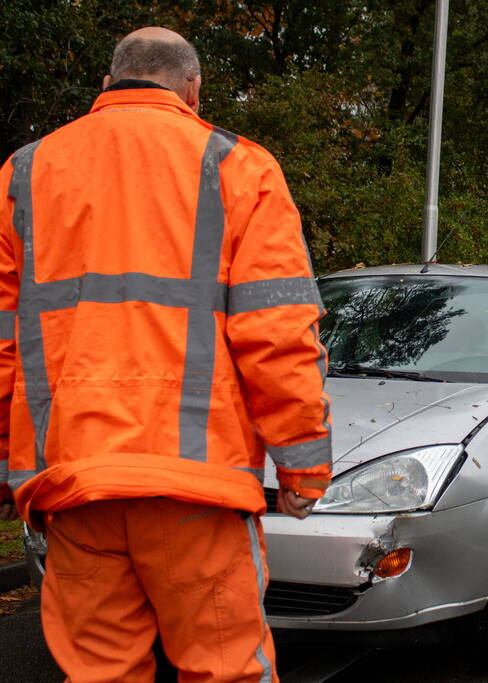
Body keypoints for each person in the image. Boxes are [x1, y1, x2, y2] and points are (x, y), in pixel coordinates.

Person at [0, 27, 332, 681]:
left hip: (74, 480)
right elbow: (278, 333)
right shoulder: (240, 167)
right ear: (192, 89)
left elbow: (5, 340)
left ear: (107, 86)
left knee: (100, 674)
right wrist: (303, 467)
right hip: (196, 485)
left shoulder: (25, 173)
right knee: (225, 670)